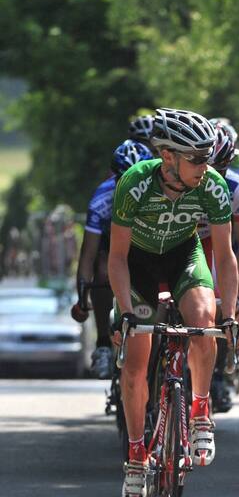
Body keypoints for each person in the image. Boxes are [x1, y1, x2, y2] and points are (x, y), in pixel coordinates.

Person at [109, 108, 239, 497]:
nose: (206, 165)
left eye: (208, 157)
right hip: (139, 266)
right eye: (197, 158)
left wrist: (231, 314)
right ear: (168, 157)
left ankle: (201, 411)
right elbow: (115, 258)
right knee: (135, 362)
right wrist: (127, 312)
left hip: (184, 255)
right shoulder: (134, 184)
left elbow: (228, 256)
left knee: (204, 321)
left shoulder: (213, 186)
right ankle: (135, 456)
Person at [71, 139, 152, 378]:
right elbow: (87, 256)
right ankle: (104, 343)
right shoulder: (101, 200)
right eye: (122, 180)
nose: (130, 186)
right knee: (102, 268)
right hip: (111, 246)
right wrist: (82, 299)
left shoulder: (160, 196)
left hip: (147, 245)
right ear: (112, 176)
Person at [202, 123, 239, 413]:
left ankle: (215, 376)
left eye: (220, 168)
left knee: (224, 307)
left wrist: (235, 289)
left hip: (218, 246)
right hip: (183, 242)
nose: (211, 177)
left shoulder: (238, 188)